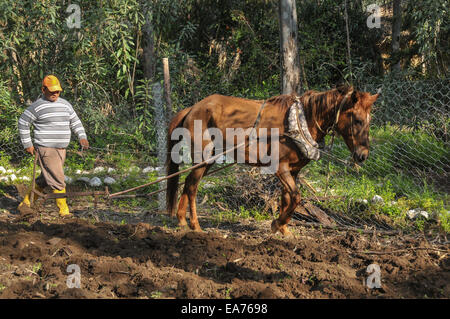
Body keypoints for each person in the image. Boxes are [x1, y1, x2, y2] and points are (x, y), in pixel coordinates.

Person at [17, 75, 89, 217]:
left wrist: (82, 137)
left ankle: (25, 204)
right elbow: (23, 122)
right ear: (43, 90)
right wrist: (27, 144)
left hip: (61, 149)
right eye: (52, 91)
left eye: (57, 91)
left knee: (45, 178)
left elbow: (75, 121)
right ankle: (64, 211)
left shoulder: (65, 105)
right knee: (58, 179)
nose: (55, 94)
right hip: (46, 149)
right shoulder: (37, 106)